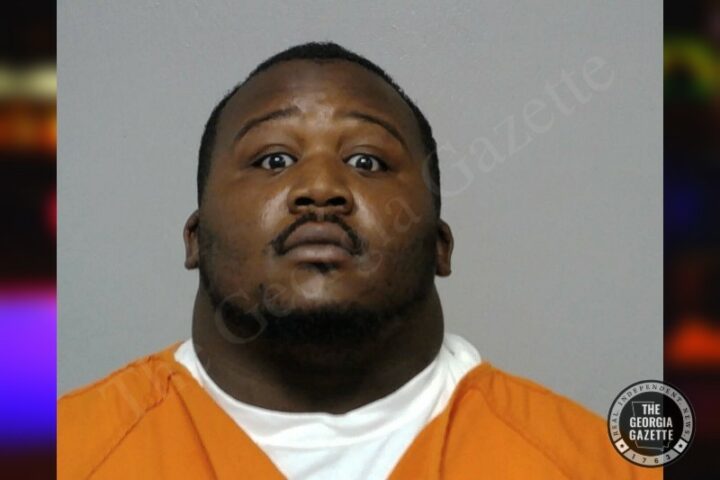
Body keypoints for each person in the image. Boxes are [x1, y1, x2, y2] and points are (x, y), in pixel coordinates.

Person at [58, 42, 659, 479]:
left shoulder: (599, 465)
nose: (320, 188)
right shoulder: (68, 453)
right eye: (273, 159)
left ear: (441, 245)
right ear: (194, 237)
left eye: (367, 161)